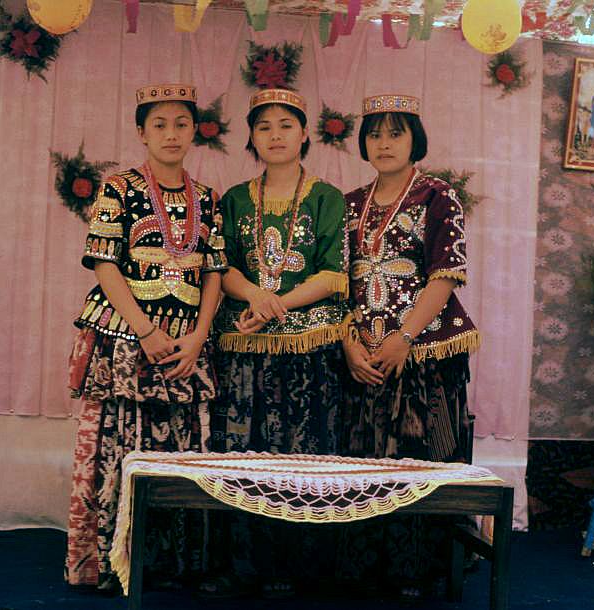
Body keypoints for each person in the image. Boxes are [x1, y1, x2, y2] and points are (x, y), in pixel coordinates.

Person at [65, 83, 226, 592]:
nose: (171, 134)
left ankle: (175, 564)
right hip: (127, 335)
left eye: (181, 124)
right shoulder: (119, 188)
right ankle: (113, 562)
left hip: (188, 342)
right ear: (141, 132)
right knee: (120, 444)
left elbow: (214, 273)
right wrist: (146, 330)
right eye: (159, 124)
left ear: (194, 131)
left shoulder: (208, 198)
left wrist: (199, 337)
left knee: (183, 448)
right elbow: (105, 265)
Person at [206, 88, 348, 598]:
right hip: (245, 346)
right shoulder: (235, 199)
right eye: (263, 126)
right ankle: (243, 566)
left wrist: (276, 303)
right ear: (251, 137)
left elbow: (333, 273)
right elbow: (222, 266)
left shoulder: (327, 198)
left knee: (302, 454)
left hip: (308, 349)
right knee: (242, 454)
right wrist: (255, 296)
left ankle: (301, 568)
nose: (275, 135)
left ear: (305, 133)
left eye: (286, 125)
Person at [338, 93, 481, 599]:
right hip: (362, 353)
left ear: (414, 139)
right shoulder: (349, 204)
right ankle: (362, 566)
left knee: (417, 460)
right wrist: (350, 345)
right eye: (375, 134)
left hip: (423, 351)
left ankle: (416, 569)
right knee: (360, 459)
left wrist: (403, 339)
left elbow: (445, 275)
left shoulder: (438, 196)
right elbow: (339, 284)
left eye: (395, 133)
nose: (384, 144)